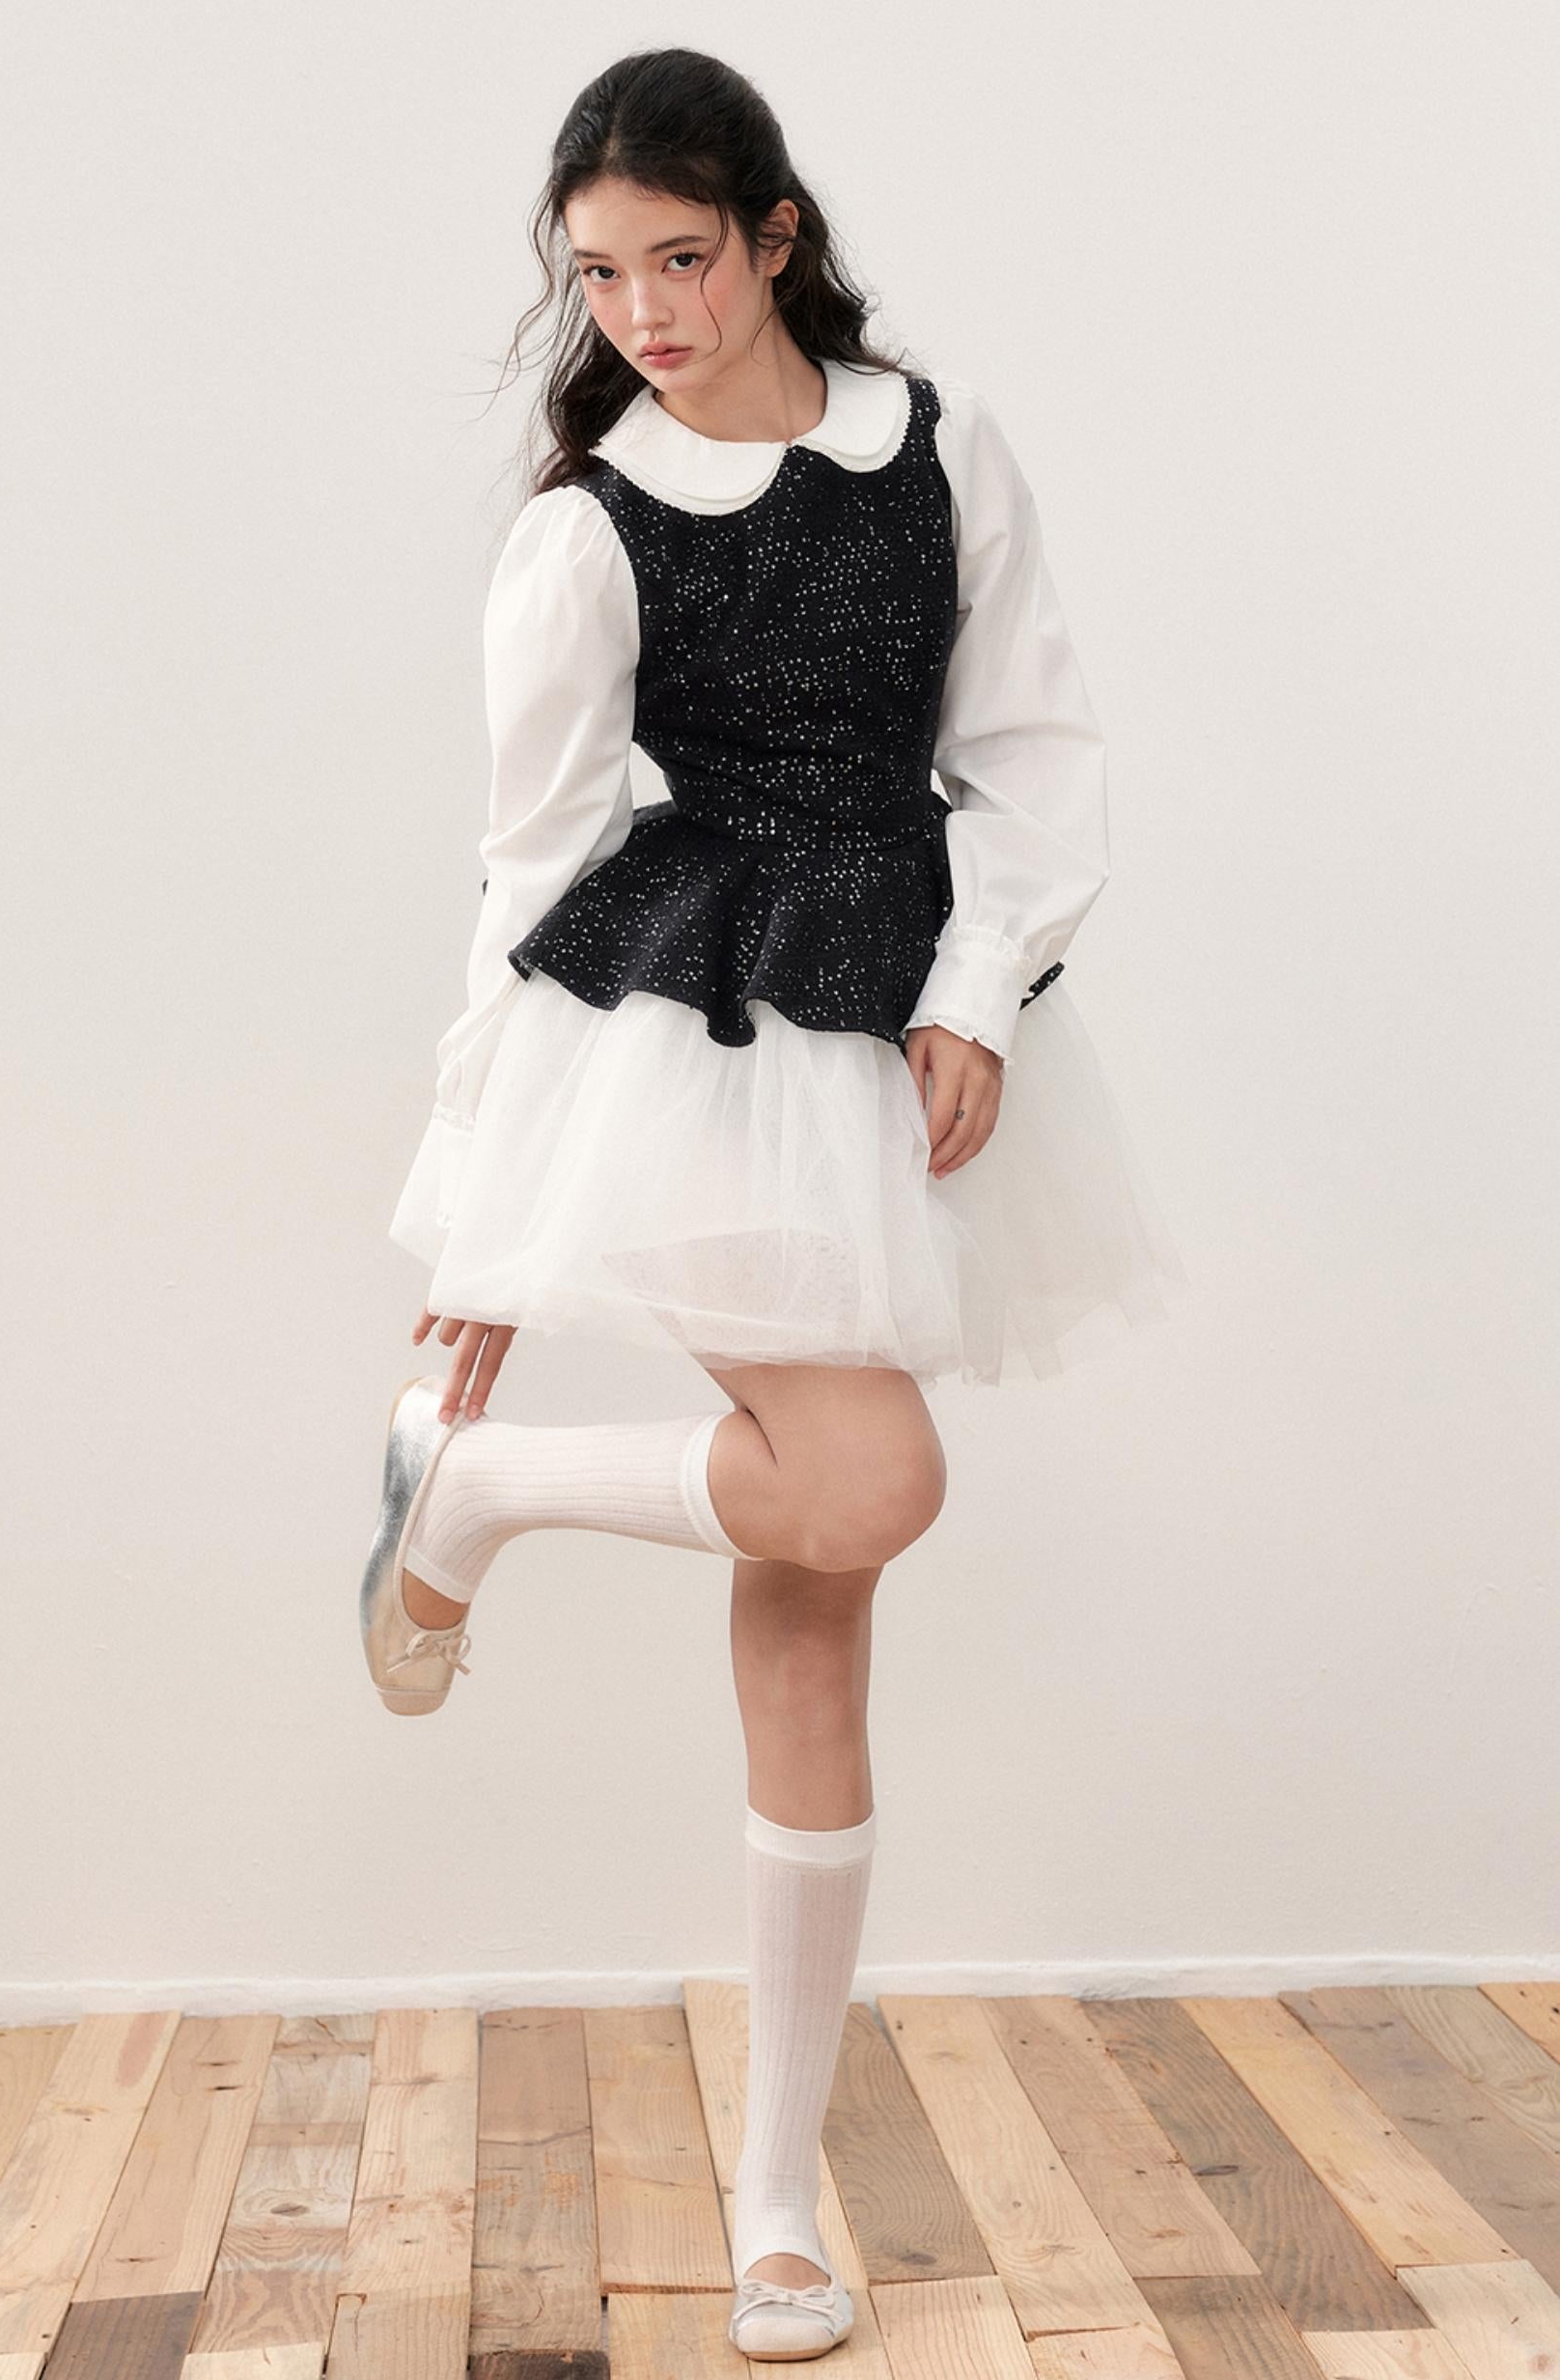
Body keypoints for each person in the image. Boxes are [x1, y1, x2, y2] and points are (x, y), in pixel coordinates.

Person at [360, 45, 1188, 2364]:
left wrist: (982, 994)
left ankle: (773, 2197)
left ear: (777, 234)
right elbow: (524, 874)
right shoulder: (587, 532)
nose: (643, 311)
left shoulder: (941, 448)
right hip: (693, 1046)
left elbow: (1032, 755)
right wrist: (481, 1219)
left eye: (682, 258)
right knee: (869, 1477)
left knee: (819, 1600)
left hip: (888, 1025)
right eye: (600, 274)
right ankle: (476, 1486)